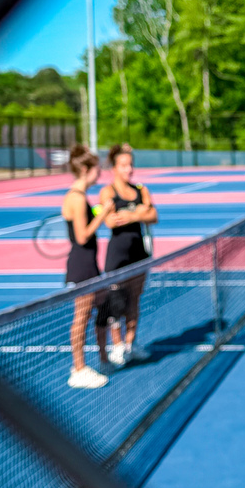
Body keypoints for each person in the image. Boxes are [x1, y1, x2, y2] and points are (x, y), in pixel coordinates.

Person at [97, 143, 158, 366]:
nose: (128, 169)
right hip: (117, 255)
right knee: (115, 301)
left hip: (139, 253)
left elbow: (153, 214)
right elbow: (111, 219)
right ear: (114, 168)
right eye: (123, 165)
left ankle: (131, 344)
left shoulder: (141, 190)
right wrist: (139, 211)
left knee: (134, 299)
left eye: (130, 165)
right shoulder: (108, 192)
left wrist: (132, 215)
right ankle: (117, 346)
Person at [62, 144, 114, 388]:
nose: (99, 174)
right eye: (96, 169)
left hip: (90, 263)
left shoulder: (81, 198)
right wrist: (103, 215)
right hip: (81, 266)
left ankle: (103, 358)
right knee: (81, 316)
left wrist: (98, 211)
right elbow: (82, 237)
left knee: (103, 304)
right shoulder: (76, 198)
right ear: (85, 170)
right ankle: (79, 368)